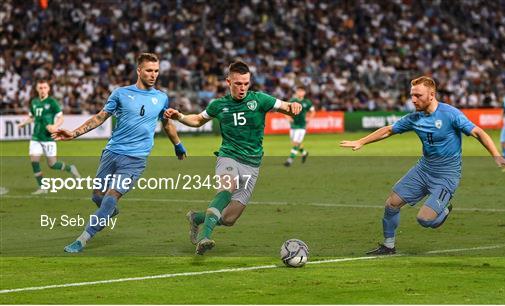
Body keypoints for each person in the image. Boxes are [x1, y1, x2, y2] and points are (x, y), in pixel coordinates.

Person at [340, 76, 505, 255]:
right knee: (391, 204)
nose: (413, 100)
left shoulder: (450, 114)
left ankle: (444, 210)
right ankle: (388, 246)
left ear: (432, 95)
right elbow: (388, 130)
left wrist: (496, 155)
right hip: (423, 169)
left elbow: (478, 132)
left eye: (418, 95)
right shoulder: (414, 118)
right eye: (412, 95)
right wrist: (361, 141)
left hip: (447, 175)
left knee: (425, 220)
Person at [52, 53, 187, 253]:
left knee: (110, 196)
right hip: (111, 152)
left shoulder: (161, 98)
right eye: (149, 70)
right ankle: (109, 212)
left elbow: (167, 124)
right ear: (138, 70)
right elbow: (100, 117)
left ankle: (83, 238)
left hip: (135, 159)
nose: (153, 75)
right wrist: (74, 132)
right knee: (97, 196)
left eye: (156, 71)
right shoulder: (120, 94)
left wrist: (178, 144)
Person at [164, 60, 302, 255]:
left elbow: (286, 106)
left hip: (252, 164)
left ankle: (197, 218)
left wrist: (295, 106)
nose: (243, 88)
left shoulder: (260, 100)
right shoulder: (219, 105)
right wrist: (179, 116)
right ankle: (204, 237)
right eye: (238, 83)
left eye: (246, 83)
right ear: (228, 82)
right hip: (229, 156)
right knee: (226, 190)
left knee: (229, 219)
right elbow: (197, 120)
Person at [17, 79, 80, 194]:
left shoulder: (52, 102)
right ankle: (43, 187)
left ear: (48, 88)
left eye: (45, 87)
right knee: (34, 160)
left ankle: (71, 168)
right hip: (36, 137)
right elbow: (32, 117)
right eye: (40, 88)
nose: (42, 90)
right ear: (37, 89)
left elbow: (61, 118)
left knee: (52, 164)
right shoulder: (34, 102)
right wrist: (23, 123)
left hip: (48, 138)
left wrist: (54, 126)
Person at [284, 86, 315, 167]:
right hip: (293, 125)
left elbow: (313, 111)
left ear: (304, 92)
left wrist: (309, 118)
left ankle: (290, 160)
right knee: (295, 143)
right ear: (296, 92)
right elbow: (284, 110)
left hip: (302, 125)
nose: (300, 92)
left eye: (301, 91)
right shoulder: (292, 101)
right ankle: (305, 153)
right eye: (298, 91)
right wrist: (288, 117)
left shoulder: (307, 102)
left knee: (296, 143)